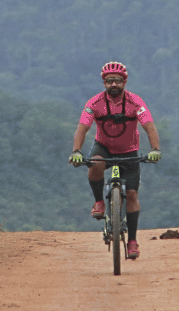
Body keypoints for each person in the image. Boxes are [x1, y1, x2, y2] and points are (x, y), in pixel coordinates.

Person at [69, 61, 162, 260]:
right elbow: (82, 128)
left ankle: (133, 241)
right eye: (109, 81)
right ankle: (99, 202)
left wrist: (155, 149)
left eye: (118, 81)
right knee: (94, 163)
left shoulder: (136, 102)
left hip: (130, 151)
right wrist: (76, 151)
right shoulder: (94, 103)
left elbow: (149, 126)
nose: (113, 85)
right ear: (104, 83)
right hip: (104, 148)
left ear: (124, 82)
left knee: (132, 195)